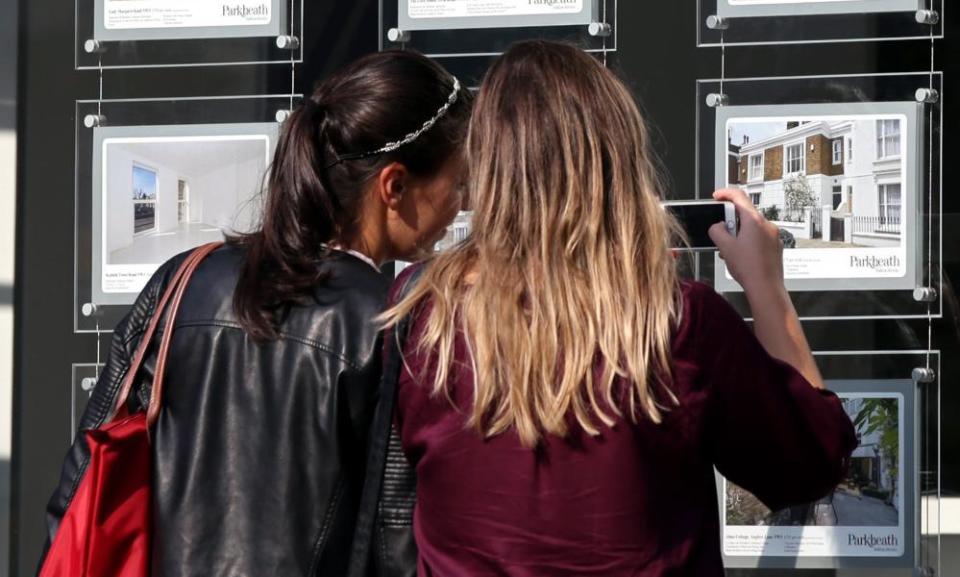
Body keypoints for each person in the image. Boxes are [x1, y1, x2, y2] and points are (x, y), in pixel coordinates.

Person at [381, 40, 858, 576]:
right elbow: (811, 464)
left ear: (487, 166)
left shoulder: (421, 315)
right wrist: (767, 287)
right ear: (617, 160)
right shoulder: (677, 321)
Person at [39, 50, 470, 577]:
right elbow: (396, 536)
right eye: (459, 183)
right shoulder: (391, 318)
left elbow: (84, 478)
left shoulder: (180, 280)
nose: (459, 207)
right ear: (394, 186)